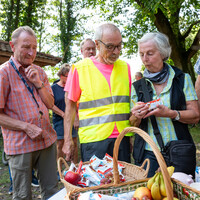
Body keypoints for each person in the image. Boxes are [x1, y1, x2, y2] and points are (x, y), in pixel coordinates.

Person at [130, 32, 199, 177]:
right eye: (141, 54)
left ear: (163, 53)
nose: (145, 59)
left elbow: (195, 115)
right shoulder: (138, 86)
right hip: (149, 154)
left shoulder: (182, 79)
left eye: (150, 53)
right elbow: (133, 124)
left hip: (179, 151)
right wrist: (136, 116)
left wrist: (171, 114)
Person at [0, 26, 58, 199]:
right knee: (23, 195)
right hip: (20, 145)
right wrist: (26, 127)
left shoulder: (39, 71)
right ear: (12, 45)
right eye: (26, 47)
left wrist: (38, 83)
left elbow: (50, 103)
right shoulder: (4, 73)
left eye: (34, 47)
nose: (31, 52)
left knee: (52, 191)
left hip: (46, 140)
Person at [63, 23, 132, 163]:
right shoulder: (80, 69)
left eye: (119, 46)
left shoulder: (126, 68)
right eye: (110, 46)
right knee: (97, 184)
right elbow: (69, 106)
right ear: (97, 44)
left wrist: (129, 136)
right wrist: (67, 140)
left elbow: (128, 104)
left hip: (122, 139)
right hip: (94, 142)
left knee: (123, 183)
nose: (116, 51)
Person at [51, 64, 79, 163]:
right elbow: (51, 105)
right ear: (61, 76)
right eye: (68, 76)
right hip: (59, 120)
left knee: (74, 142)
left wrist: (75, 117)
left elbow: (74, 103)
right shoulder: (53, 88)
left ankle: (74, 166)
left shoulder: (72, 87)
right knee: (60, 144)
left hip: (71, 120)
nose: (70, 78)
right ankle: (60, 168)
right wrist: (63, 114)